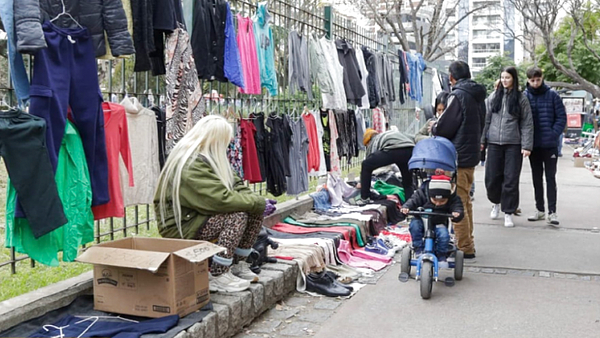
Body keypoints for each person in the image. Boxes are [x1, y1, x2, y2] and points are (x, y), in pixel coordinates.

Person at [154, 115, 277, 293]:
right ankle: (218, 274)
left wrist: (258, 203)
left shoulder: (211, 158)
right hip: (183, 226)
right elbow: (219, 200)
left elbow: (237, 186)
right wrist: (257, 202)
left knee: (253, 210)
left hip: (199, 218)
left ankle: (238, 264)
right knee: (237, 215)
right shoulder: (190, 163)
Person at [431, 61, 486, 260]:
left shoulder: (458, 95)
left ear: (452, 77)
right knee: (466, 201)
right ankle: (467, 241)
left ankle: (465, 247)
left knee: (458, 202)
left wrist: (435, 128)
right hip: (471, 154)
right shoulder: (477, 95)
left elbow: (446, 125)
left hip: (457, 156)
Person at [482, 66, 533, 228]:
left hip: (513, 144)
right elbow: (486, 120)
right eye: (503, 77)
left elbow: (527, 123)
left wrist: (526, 145)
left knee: (510, 179)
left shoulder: (521, 98)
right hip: (494, 143)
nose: (505, 80)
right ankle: (495, 203)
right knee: (492, 178)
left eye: (508, 78)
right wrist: (482, 140)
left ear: (514, 79)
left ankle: (508, 212)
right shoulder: (493, 97)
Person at [524, 67, 566, 226]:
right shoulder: (525, 96)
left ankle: (552, 212)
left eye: (538, 80)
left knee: (550, 178)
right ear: (528, 80)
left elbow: (561, 117)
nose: (535, 83)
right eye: (532, 80)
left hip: (550, 145)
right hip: (533, 146)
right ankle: (540, 210)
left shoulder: (552, 95)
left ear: (542, 78)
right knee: (536, 178)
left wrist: (553, 134)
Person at [401, 174, 464, 266]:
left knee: (444, 235)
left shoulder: (452, 198)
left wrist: (456, 213)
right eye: (435, 200)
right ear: (429, 195)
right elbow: (413, 200)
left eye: (442, 201)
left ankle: (441, 255)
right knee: (414, 226)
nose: (438, 203)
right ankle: (418, 248)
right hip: (421, 219)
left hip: (439, 221)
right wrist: (406, 207)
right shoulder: (422, 193)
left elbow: (457, 206)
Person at [360, 128, 415, 204]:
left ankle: (365, 197)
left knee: (366, 165)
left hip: (395, 149)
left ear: (368, 141)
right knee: (407, 183)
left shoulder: (374, 140)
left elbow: (369, 160)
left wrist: (362, 182)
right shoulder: (386, 135)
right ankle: (410, 207)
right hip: (410, 149)